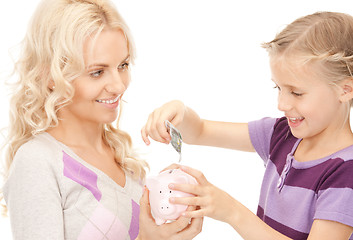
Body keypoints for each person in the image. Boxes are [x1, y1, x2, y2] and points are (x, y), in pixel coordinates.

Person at [0, 0, 203, 239]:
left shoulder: (122, 159)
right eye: (97, 72)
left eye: (123, 65)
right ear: (51, 75)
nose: (118, 86)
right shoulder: (38, 162)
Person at [141, 11, 353, 239]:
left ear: (345, 89)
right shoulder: (281, 135)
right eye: (278, 88)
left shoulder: (346, 173)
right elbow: (201, 131)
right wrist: (180, 112)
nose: (281, 104)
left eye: (296, 92)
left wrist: (232, 211)